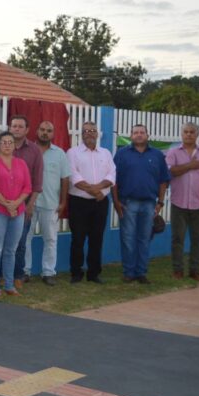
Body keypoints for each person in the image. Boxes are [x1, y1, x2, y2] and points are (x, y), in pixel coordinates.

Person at [112, 124, 170, 285]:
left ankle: (141, 273)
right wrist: (116, 202)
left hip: (149, 204)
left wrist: (160, 202)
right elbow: (113, 180)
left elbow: (163, 180)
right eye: (135, 132)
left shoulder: (157, 155)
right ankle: (129, 272)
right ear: (131, 136)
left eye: (142, 132)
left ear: (147, 135)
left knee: (144, 239)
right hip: (128, 203)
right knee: (128, 239)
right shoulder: (122, 154)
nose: (139, 135)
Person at [165, 122, 199, 282]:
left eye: (192, 132)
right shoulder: (173, 152)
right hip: (178, 202)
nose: (188, 134)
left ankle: (195, 270)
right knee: (177, 238)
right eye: (186, 132)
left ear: (197, 135)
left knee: (197, 239)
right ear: (182, 134)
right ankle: (178, 270)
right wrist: (191, 165)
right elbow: (170, 171)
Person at [0, 132, 32, 297]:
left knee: (11, 249)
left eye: (10, 142)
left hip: (18, 211)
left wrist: (16, 204)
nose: (7, 145)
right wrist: (7, 205)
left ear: (14, 146)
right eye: (4, 142)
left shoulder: (21, 164)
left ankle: (9, 285)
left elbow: (28, 187)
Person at [67, 121, 115, 284]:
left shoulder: (106, 153)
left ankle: (94, 273)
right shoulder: (73, 152)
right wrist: (96, 191)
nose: (89, 133)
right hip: (79, 202)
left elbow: (112, 175)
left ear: (97, 134)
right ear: (81, 134)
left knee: (97, 238)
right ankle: (76, 272)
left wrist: (99, 189)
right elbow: (74, 177)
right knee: (78, 238)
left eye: (93, 130)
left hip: (100, 203)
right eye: (86, 130)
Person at [34, 121, 69, 286]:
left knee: (50, 239)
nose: (45, 133)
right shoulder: (29, 150)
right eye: (42, 130)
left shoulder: (60, 153)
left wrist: (63, 202)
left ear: (53, 134)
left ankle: (48, 272)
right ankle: (24, 271)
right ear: (36, 131)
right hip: (29, 203)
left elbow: (65, 179)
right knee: (24, 238)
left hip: (51, 203)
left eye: (49, 131)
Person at [9, 115, 43, 288]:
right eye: (14, 126)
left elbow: (37, 181)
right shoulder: (0, 147)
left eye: (20, 126)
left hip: (24, 204)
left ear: (27, 130)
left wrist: (30, 205)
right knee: (2, 242)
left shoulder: (35, 151)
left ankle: (18, 275)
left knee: (20, 242)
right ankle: (3, 275)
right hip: (3, 204)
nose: (16, 129)